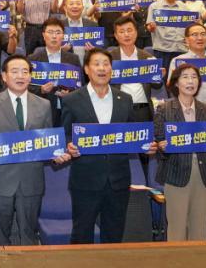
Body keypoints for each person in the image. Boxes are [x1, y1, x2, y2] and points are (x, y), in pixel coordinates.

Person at [61, 48, 157, 244]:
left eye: (106, 64)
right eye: (96, 64)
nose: (102, 68)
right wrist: (69, 145)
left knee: (114, 235)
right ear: (86, 69)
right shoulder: (72, 99)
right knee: (81, 234)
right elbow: (66, 134)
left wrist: (145, 146)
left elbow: (132, 135)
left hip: (118, 179)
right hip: (85, 180)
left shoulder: (125, 99)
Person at [0, 54, 69, 245]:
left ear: (30, 76)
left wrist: (56, 156)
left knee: (29, 236)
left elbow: (47, 142)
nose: (20, 76)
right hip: (0, 180)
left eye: (25, 71)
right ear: (4, 76)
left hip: (31, 180)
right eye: (15, 71)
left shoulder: (44, 105)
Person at [154, 63, 206, 241]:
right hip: (176, 173)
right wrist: (162, 146)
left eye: (194, 77)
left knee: (200, 229)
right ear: (176, 83)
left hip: (204, 174)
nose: (191, 81)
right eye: (185, 77)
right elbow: (157, 141)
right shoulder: (164, 109)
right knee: (177, 229)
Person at [28, 17, 81, 127]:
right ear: (43, 35)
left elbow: (80, 86)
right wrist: (41, 90)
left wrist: (70, 94)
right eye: (50, 32)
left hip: (67, 109)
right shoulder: (33, 59)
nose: (54, 36)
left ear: (63, 36)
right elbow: (26, 86)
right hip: (42, 111)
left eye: (58, 32)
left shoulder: (73, 59)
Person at [109, 16, 161, 123]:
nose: (126, 35)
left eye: (129, 30)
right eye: (122, 32)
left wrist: (158, 76)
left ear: (136, 33)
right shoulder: (109, 58)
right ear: (116, 36)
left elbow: (157, 86)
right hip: (118, 110)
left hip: (142, 110)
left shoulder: (147, 57)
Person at [146, 0, 190, 76]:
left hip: (180, 49)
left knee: (180, 78)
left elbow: (188, 28)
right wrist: (151, 27)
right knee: (163, 78)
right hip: (163, 50)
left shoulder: (184, 7)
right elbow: (149, 28)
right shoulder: (154, 6)